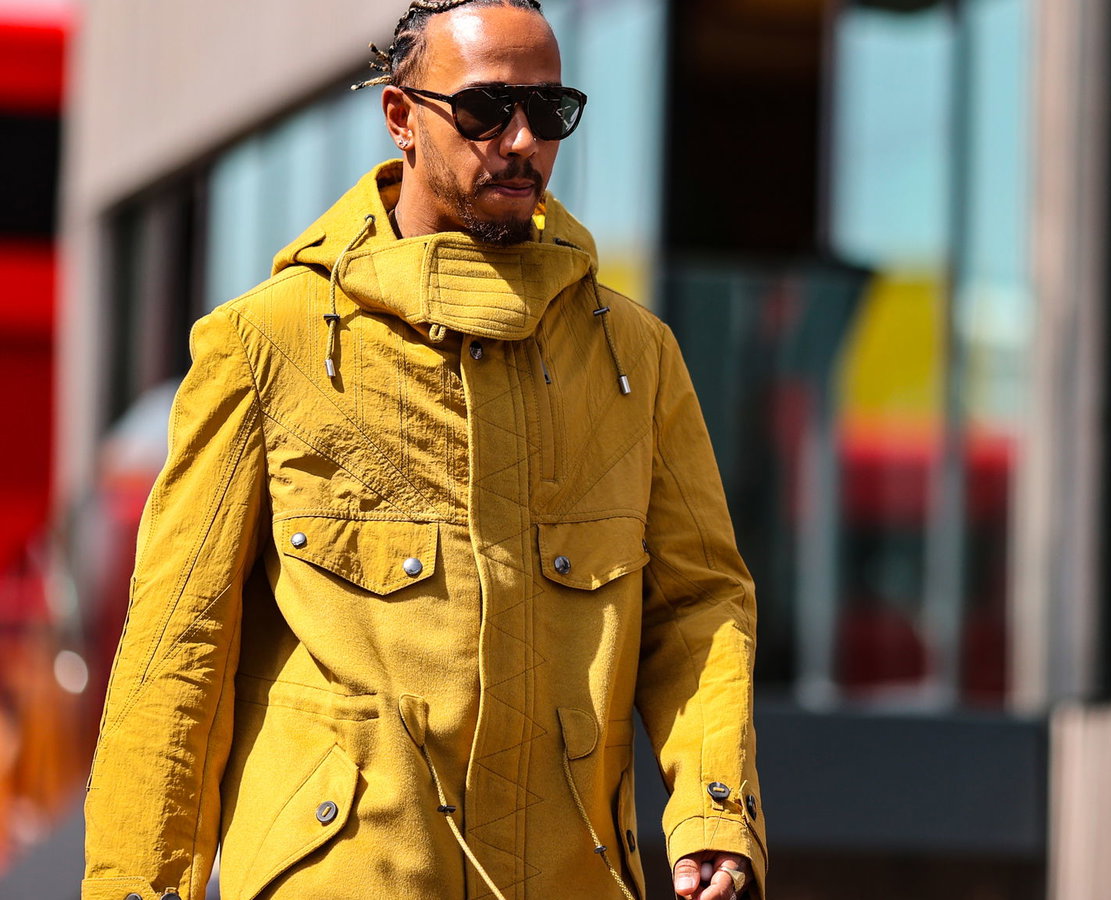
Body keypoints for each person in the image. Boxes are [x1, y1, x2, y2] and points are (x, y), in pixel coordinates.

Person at [80, 1, 766, 898]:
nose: (522, 141)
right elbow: (179, 642)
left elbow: (700, 605)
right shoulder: (266, 342)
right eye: (485, 109)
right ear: (401, 117)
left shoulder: (634, 355)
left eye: (550, 110)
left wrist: (714, 812)